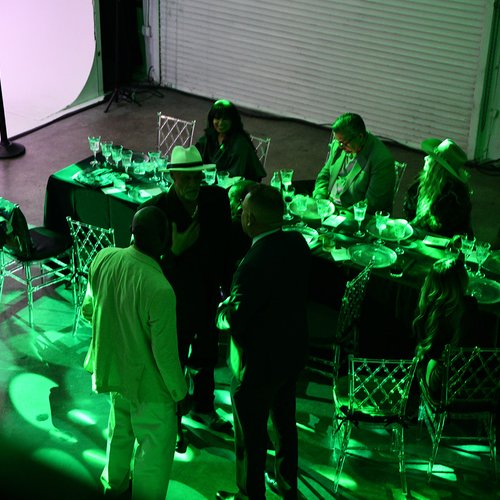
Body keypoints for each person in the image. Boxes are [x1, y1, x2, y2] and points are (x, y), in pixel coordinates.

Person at [81, 206, 188, 500]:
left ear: (131, 231)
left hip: (115, 372)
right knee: (153, 455)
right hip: (151, 389)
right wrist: (180, 393)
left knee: (119, 433)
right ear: (165, 241)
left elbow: (89, 310)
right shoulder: (160, 288)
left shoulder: (104, 258)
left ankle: (113, 488)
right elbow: (165, 356)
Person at [216, 184, 311, 500]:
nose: (240, 213)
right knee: (284, 424)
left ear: (250, 220)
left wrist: (221, 311)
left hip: (257, 367)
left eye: (243, 209)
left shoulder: (252, 264)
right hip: (291, 354)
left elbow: (235, 318)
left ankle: (250, 495)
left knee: (251, 437)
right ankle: (287, 485)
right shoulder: (297, 242)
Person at [141, 145, 233, 432]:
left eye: (197, 177)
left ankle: (204, 407)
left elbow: (226, 248)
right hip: (174, 302)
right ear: (173, 177)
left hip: (207, 295)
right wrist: (174, 252)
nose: (194, 184)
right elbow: (143, 265)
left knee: (206, 356)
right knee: (174, 360)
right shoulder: (156, 210)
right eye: (186, 178)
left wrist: (228, 291)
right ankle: (174, 421)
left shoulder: (216, 199)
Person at [413, 256, 483, 402]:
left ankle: (418, 396)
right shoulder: (470, 306)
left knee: (422, 357)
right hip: (467, 381)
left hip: (441, 383)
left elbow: (430, 351)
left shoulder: (435, 311)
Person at [312, 112, 395, 214]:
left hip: (353, 214)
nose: (341, 146)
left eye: (345, 143)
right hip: (329, 205)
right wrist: (320, 198)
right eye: (338, 142)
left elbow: (373, 204)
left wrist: (339, 214)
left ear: (360, 136)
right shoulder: (339, 145)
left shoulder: (381, 160)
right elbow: (324, 175)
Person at [403, 138, 472, 237]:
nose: (425, 158)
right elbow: (409, 211)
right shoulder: (421, 182)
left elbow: (443, 229)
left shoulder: (455, 195)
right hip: (420, 235)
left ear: (438, 167)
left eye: (431, 157)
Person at [195, 99, 267, 182]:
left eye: (225, 119)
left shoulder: (240, 144)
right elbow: (196, 157)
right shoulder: (210, 137)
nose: (220, 123)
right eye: (217, 118)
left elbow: (234, 176)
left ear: (233, 121)